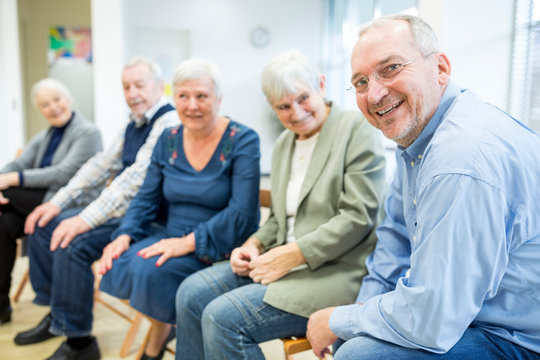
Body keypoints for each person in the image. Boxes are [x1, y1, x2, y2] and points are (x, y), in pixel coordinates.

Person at [306, 14, 540, 360]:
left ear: (441, 68)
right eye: (359, 82)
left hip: (518, 337)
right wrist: (354, 319)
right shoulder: (417, 141)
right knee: (352, 343)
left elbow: (434, 317)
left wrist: (340, 320)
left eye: (391, 68)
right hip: (475, 313)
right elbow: (394, 243)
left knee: (360, 356)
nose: (374, 94)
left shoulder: (459, 160)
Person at [175, 50, 386, 360]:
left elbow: (357, 218)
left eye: (303, 98)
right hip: (283, 263)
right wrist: (253, 244)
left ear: (321, 85)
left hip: (337, 271)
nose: (296, 113)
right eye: (283, 107)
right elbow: (278, 218)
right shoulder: (286, 143)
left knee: (222, 318)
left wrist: (290, 255)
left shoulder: (356, 129)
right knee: (190, 293)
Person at [14, 56, 180, 360]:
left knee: (72, 242)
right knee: (44, 224)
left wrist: (84, 219)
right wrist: (56, 204)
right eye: (126, 87)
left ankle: (80, 343)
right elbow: (100, 166)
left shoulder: (168, 122)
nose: (132, 94)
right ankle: (59, 313)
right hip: (126, 214)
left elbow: (133, 180)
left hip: (152, 220)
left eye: (139, 85)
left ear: (160, 86)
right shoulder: (135, 122)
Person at [98, 58, 261, 360]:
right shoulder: (168, 138)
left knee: (150, 270)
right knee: (119, 259)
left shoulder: (243, 140)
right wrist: (124, 235)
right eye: (183, 96)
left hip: (220, 243)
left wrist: (186, 243)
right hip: (172, 237)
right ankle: (164, 326)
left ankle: (157, 342)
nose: (191, 105)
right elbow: (146, 197)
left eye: (202, 96)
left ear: (219, 98)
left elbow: (241, 213)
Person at [0, 78, 102, 325]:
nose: (53, 107)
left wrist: (10, 180)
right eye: (45, 104)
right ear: (40, 110)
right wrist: (4, 176)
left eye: (57, 100)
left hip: (67, 201)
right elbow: (19, 163)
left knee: (10, 194)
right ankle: (1, 304)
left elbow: (63, 173)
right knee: (2, 227)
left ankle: (55, 305)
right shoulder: (45, 135)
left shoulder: (88, 132)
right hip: (35, 201)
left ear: (68, 99)